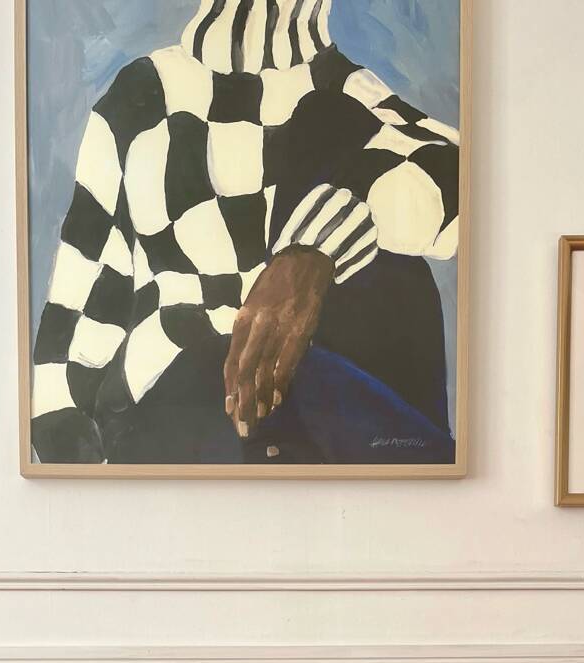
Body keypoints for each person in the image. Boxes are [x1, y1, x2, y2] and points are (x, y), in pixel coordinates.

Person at [31, 0, 460, 466]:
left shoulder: (348, 98)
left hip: (316, 427)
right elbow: (68, 355)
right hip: (168, 430)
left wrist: (313, 252)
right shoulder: (139, 101)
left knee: (333, 131)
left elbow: (460, 177)